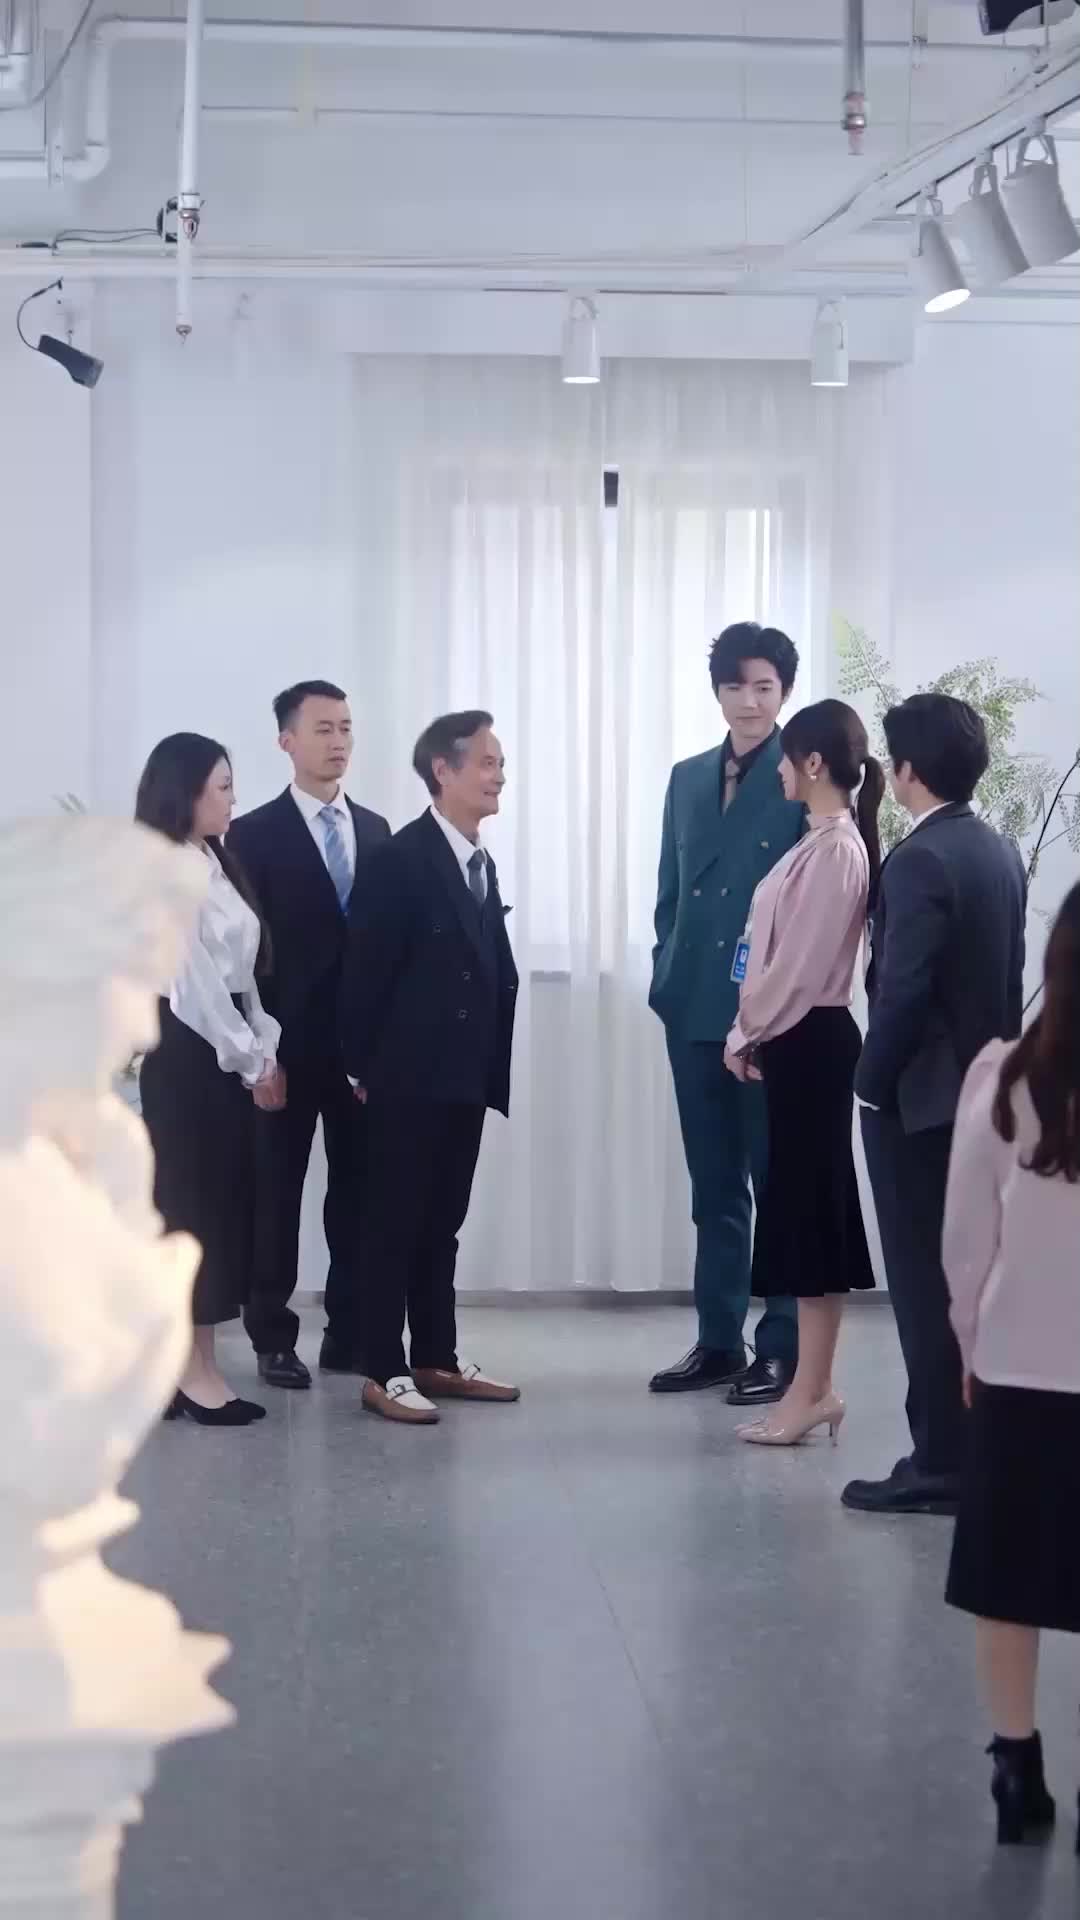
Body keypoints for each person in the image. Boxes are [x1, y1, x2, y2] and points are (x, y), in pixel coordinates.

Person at [843, 694, 1026, 1515]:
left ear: (908, 770)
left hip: (919, 1108)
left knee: (924, 1287)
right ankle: (973, 1451)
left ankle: (939, 1464)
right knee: (974, 1285)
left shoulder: (919, 860)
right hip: (988, 1097)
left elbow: (903, 994)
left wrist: (868, 1082)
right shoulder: (997, 850)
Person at [942, 884, 1080, 1848]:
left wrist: (970, 1344)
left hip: (1019, 1365)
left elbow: (965, 1242)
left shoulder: (1002, 1079)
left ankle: (1015, 1762)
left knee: (1007, 1572)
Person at [340, 711, 520, 1425]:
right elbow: (364, 974)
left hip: (462, 1078)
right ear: (442, 771)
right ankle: (382, 1368)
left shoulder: (479, 859)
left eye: (500, 763)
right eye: (486, 763)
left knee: (441, 1223)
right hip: (404, 1078)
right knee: (392, 1225)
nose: (499, 775)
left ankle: (436, 1357)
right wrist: (362, 1069)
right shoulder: (400, 858)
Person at [649, 622, 804, 1406]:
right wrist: (666, 975)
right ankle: (717, 1341)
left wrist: (777, 1004)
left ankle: (781, 1348)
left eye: (764, 686)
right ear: (717, 692)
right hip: (693, 1007)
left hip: (770, 1015)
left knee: (778, 1185)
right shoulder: (685, 778)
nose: (749, 701)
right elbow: (669, 894)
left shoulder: (804, 775)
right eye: (736, 685)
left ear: (784, 693)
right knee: (713, 1188)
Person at [724, 700, 881, 1445]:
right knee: (802, 1212)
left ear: (813, 763)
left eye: (788, 757)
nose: (780, 769)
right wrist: (753, 1029)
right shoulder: (818, 844)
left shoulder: (837, 850)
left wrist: (746, 1029)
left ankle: (812, 1390)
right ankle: (812, 1390)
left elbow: (797, 970)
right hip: (795, 1040)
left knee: (813, 1215)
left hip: (809, 1040)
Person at [228, 681, 390, 1388]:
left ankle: (349, 1333)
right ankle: (272, 1336)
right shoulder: (251, 835)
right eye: (323, 729)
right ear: (287, 741)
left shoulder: (378, 831)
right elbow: (242, 959)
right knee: (276, 1194)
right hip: (286, 1048)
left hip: (361, 1054)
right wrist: (259, 1055)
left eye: (346, 727)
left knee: (358, 1194)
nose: (338, 741)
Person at [136, 733, 283, 1427]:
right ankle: (194, 1374)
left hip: (222, 1055)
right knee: (194, 1213)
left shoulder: (213, 861)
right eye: (221, 786)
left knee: (218, 1212)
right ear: (185, 791)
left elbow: (244, 978)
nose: (232, 798)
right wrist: (251, 1061)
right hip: (191, 1058)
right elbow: (194, 989)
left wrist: (265, 1046)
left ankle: (187, 1368)